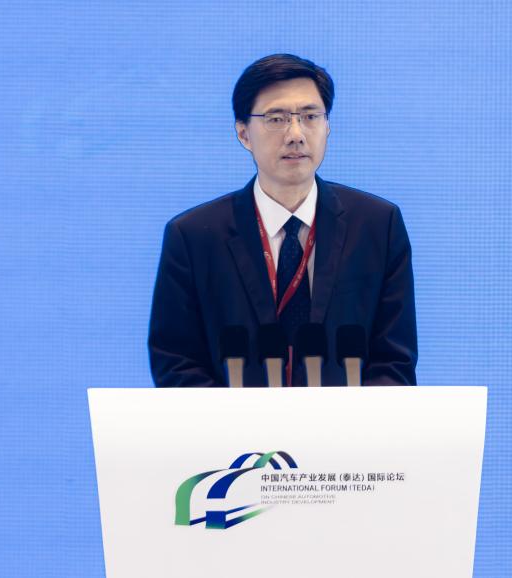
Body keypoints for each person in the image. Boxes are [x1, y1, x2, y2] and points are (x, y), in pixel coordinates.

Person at [148, 54, 417, 386]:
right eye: (276, 119)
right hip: (233, 421)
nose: (296, 134)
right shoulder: (194, 236)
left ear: (327, 126)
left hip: (347, 420)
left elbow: (394, 360)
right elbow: (176, 362)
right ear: (243, 133)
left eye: (310, 116)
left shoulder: (377, 225)